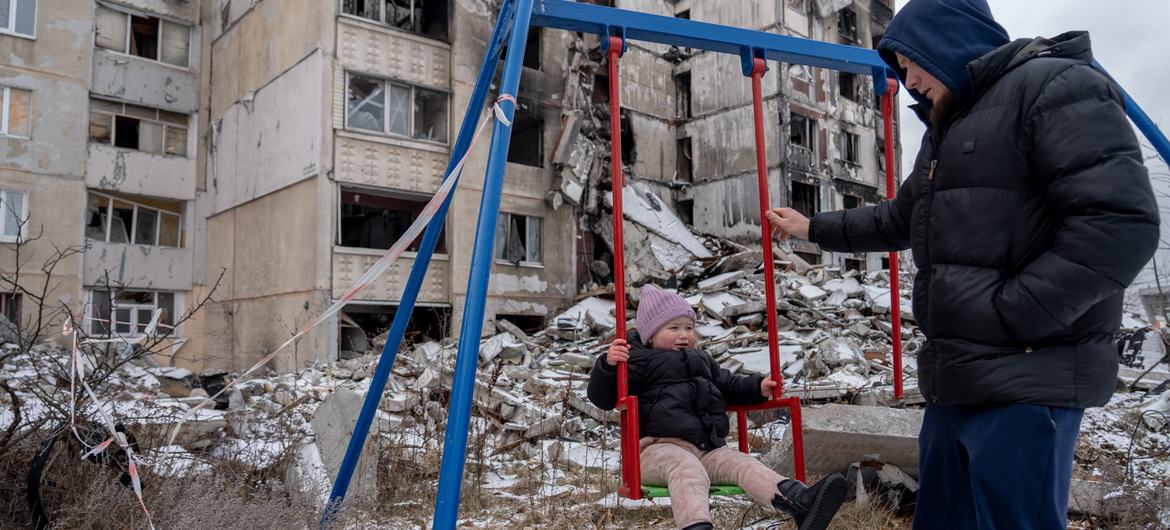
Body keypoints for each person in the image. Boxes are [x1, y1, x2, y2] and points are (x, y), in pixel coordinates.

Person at [766, 0, 1159, 528]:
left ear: (944, 41)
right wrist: (811, 228)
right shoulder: (946, 129)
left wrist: (1016, 315)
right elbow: (899, 219)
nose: (906, 79)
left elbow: (1120, 222)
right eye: (897, 69)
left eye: (909, 62)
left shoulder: (1054, 86)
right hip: (958, 377)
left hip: (1028, 375)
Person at [587, 284, 848, 530]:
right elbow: (603, 397)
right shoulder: (637, 362)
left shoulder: (702, 361)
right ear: (650, 335)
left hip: (706, 450)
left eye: (689, 328)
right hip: (656, 451)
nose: (684, 335)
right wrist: (608, 366)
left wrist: (757, 387)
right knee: (687, 469)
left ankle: (800, 503)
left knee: (743, 463)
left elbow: (728, 384)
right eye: (674, 328)